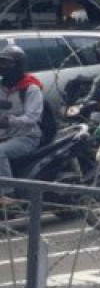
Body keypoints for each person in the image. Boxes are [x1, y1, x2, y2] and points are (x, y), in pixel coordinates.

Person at [0, 45, 48, 185]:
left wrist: (8, 121)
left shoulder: (30, 88)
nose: (3, 67)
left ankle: (7, 195)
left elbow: (32, 118)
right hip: (4, 135)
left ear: (18, 66)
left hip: (26, 137)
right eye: (1, 63)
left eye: (7, 63)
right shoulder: (2, 87)